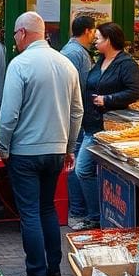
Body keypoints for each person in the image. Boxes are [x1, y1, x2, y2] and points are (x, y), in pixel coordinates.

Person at [0, 12, 82, 276]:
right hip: (56, 150)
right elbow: (77, 111)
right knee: (47, 208)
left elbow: (9, 114)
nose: (14, 40)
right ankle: (54, 270)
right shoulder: (66, 64)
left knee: (30, 212)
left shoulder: (20, 65)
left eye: (14, 35)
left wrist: (2, 145)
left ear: (22, 33)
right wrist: (70, 146)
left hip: (25, 151)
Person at [75, 23, 139, 227]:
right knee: (87, 170)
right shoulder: (100, 61)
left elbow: (134, 91)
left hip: (112, 128)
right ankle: (98, 214)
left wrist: (108, 99)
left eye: (99, 38)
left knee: (82, 169)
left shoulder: (126, 64)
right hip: (92, 125)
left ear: (110, 40)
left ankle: (97, 216)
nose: (95, 41)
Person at [59, 15, 95, 229]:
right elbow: (75, 89)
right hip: (77, 117)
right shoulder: (75, 53)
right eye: (94, 32)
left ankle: (78, 211)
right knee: (75, 165)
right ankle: (78, 212)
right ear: (88, 31)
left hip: (76, 116)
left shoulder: (73, 51)